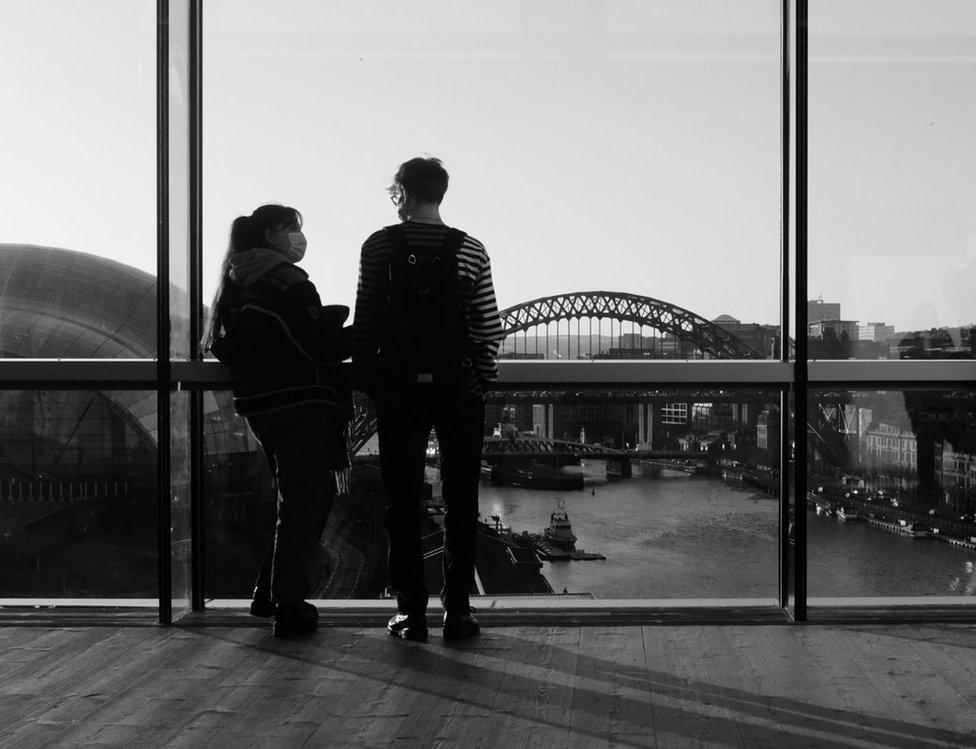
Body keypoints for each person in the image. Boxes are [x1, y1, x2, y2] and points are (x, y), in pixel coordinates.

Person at [352, 157, 504, 641]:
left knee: (402, 501)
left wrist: (374, 384)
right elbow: (487, 327)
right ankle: (457, 612)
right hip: (458, 389)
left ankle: (410, 612)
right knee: (462, 500)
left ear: (401, 193)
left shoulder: (378, 246)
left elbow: (366, 320)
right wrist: (479, 380)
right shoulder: (471, 249)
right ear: (442, 192)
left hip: (398, 390)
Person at [203, 204, 352, 638]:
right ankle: (288, 604)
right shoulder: (288, 282)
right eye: (291, 228)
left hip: (260, 407)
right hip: (299, 404)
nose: (298, 237)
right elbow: (319, 348)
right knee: (308, 499)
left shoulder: (236, 280)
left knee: (294, 499)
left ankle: (267, 594)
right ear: (271, 235)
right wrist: (357, 335)